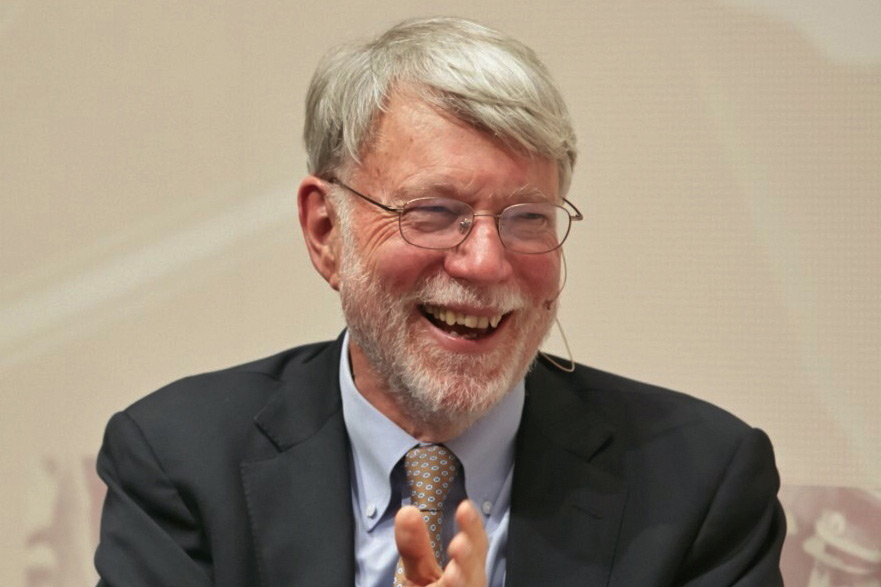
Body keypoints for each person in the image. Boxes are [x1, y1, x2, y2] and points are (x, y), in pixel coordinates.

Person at [94, 17, 785, 587]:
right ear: (325, 230)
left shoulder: (700, 483)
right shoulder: (180, 460)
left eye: (527, 217)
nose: (484, 261)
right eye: (433, 211)